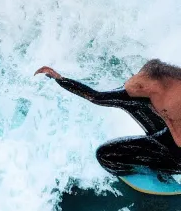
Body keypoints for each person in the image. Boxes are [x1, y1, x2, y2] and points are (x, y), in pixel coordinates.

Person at [34, 59, 181, 177]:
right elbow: (96, 96)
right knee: (137, 107)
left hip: (173, 152)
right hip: (167, 142)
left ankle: (160, 167)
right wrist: (61, 79)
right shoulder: (137, 95)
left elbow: (96, 97)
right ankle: (157, 163)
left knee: (104, 155)